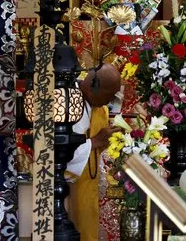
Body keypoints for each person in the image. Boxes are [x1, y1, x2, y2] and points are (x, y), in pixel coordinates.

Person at [67, 63, 122, 241]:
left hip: (89, 184)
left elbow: (98, 146)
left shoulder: (100, 109)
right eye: (108, 95)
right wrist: (96, 141)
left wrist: (108, 140)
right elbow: (58, 149)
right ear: (94, 87)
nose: (110, 101)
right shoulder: (65, 100)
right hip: (65, 189)